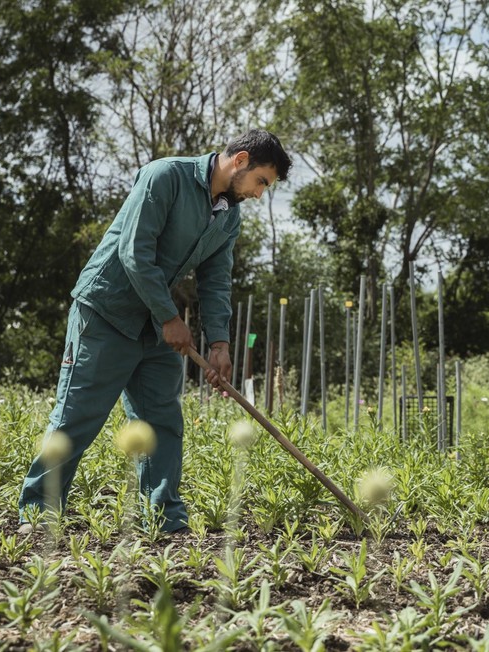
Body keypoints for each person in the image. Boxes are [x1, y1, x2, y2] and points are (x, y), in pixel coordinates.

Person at [17, 130, 292, 534]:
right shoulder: (165, 176)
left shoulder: (227, 217)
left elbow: (216, 282)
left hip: (156, 323)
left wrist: (219, 343)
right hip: (107, 312)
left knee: (161, 419)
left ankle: (164, 519)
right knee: (78, 415)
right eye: (262, 181)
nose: (259, 194)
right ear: (241, 160)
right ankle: (39, 512)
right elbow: (134, 251)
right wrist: (170, 318)